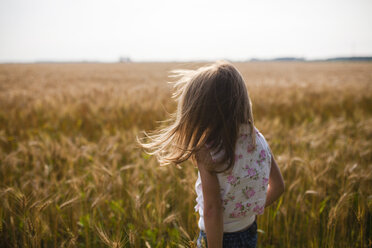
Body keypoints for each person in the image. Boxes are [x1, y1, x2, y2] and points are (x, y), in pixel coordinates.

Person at [138, 61, 285, 247]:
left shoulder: (207, 151)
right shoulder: (258, 139)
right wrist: (247, 209)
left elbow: (212, 210)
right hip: (249, 231)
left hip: (220, 239)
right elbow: (278, 186)